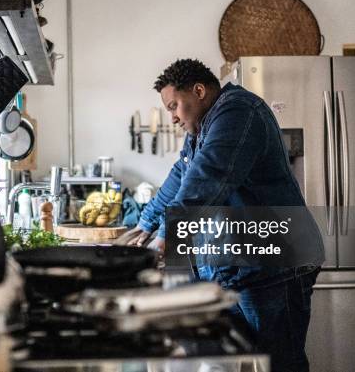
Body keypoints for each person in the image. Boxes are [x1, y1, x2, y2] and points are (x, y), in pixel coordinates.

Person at [119, 59, 321, 372]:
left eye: (175, 105)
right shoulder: (205, 125)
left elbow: (206, 178)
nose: (172, 116)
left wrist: (165, 238)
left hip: (275, 269)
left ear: (199, 91)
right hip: (240, 269)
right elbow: (181, 176)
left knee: (281, 363)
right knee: (246, 360)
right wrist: (145, 225)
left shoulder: (238, 112)